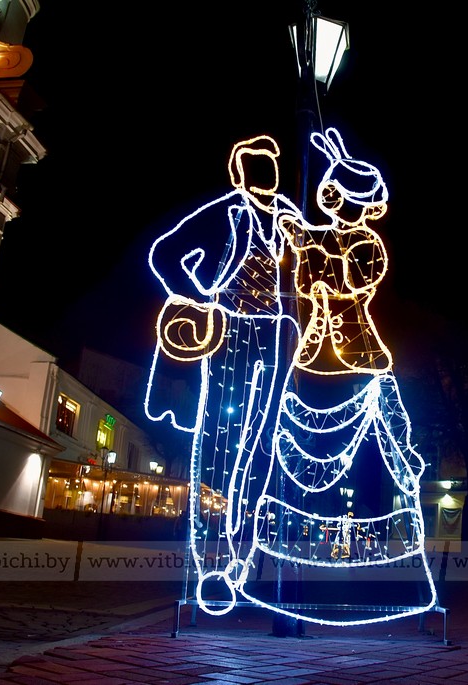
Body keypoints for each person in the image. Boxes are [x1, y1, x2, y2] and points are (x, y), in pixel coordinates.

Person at [245, 127, 437, 624]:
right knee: (283, 434)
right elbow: (305, 282)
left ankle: (402, 560)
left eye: (340, 194)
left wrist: (308, 243)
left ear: (362, 204)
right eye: (331, 191)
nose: (332, 200)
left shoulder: (367, 244)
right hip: (313, 357)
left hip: (361, 354)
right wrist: (291, 234)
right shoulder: (316, 237)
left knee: (389, 426)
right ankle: (273, 563)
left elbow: (349, 280)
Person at [144, 135, 301, 614]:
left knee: (264, 439)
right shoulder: (226, 212)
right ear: (241, 174)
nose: (267, 174)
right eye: (257, 166)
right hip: (231, 326)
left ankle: (243, 555)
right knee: (218, 436)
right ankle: (210, 560)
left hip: (278, 331)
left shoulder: (290, 220)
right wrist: (200, 298)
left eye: (270, 166)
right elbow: (165, 253)